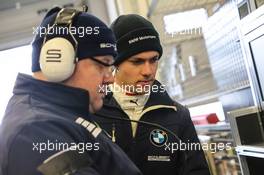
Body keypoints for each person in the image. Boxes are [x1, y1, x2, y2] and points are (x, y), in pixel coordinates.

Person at [0, 7, 142, 175]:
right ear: (59, 60)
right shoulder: (35, 131)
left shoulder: (60, 118)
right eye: (104, 63)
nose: (110, 79)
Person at [94, 14, 211, 175]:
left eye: (154, 60)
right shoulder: (92, 112)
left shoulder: (177, 116)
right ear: (115, 62)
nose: (148, 71)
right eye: (137, 61)